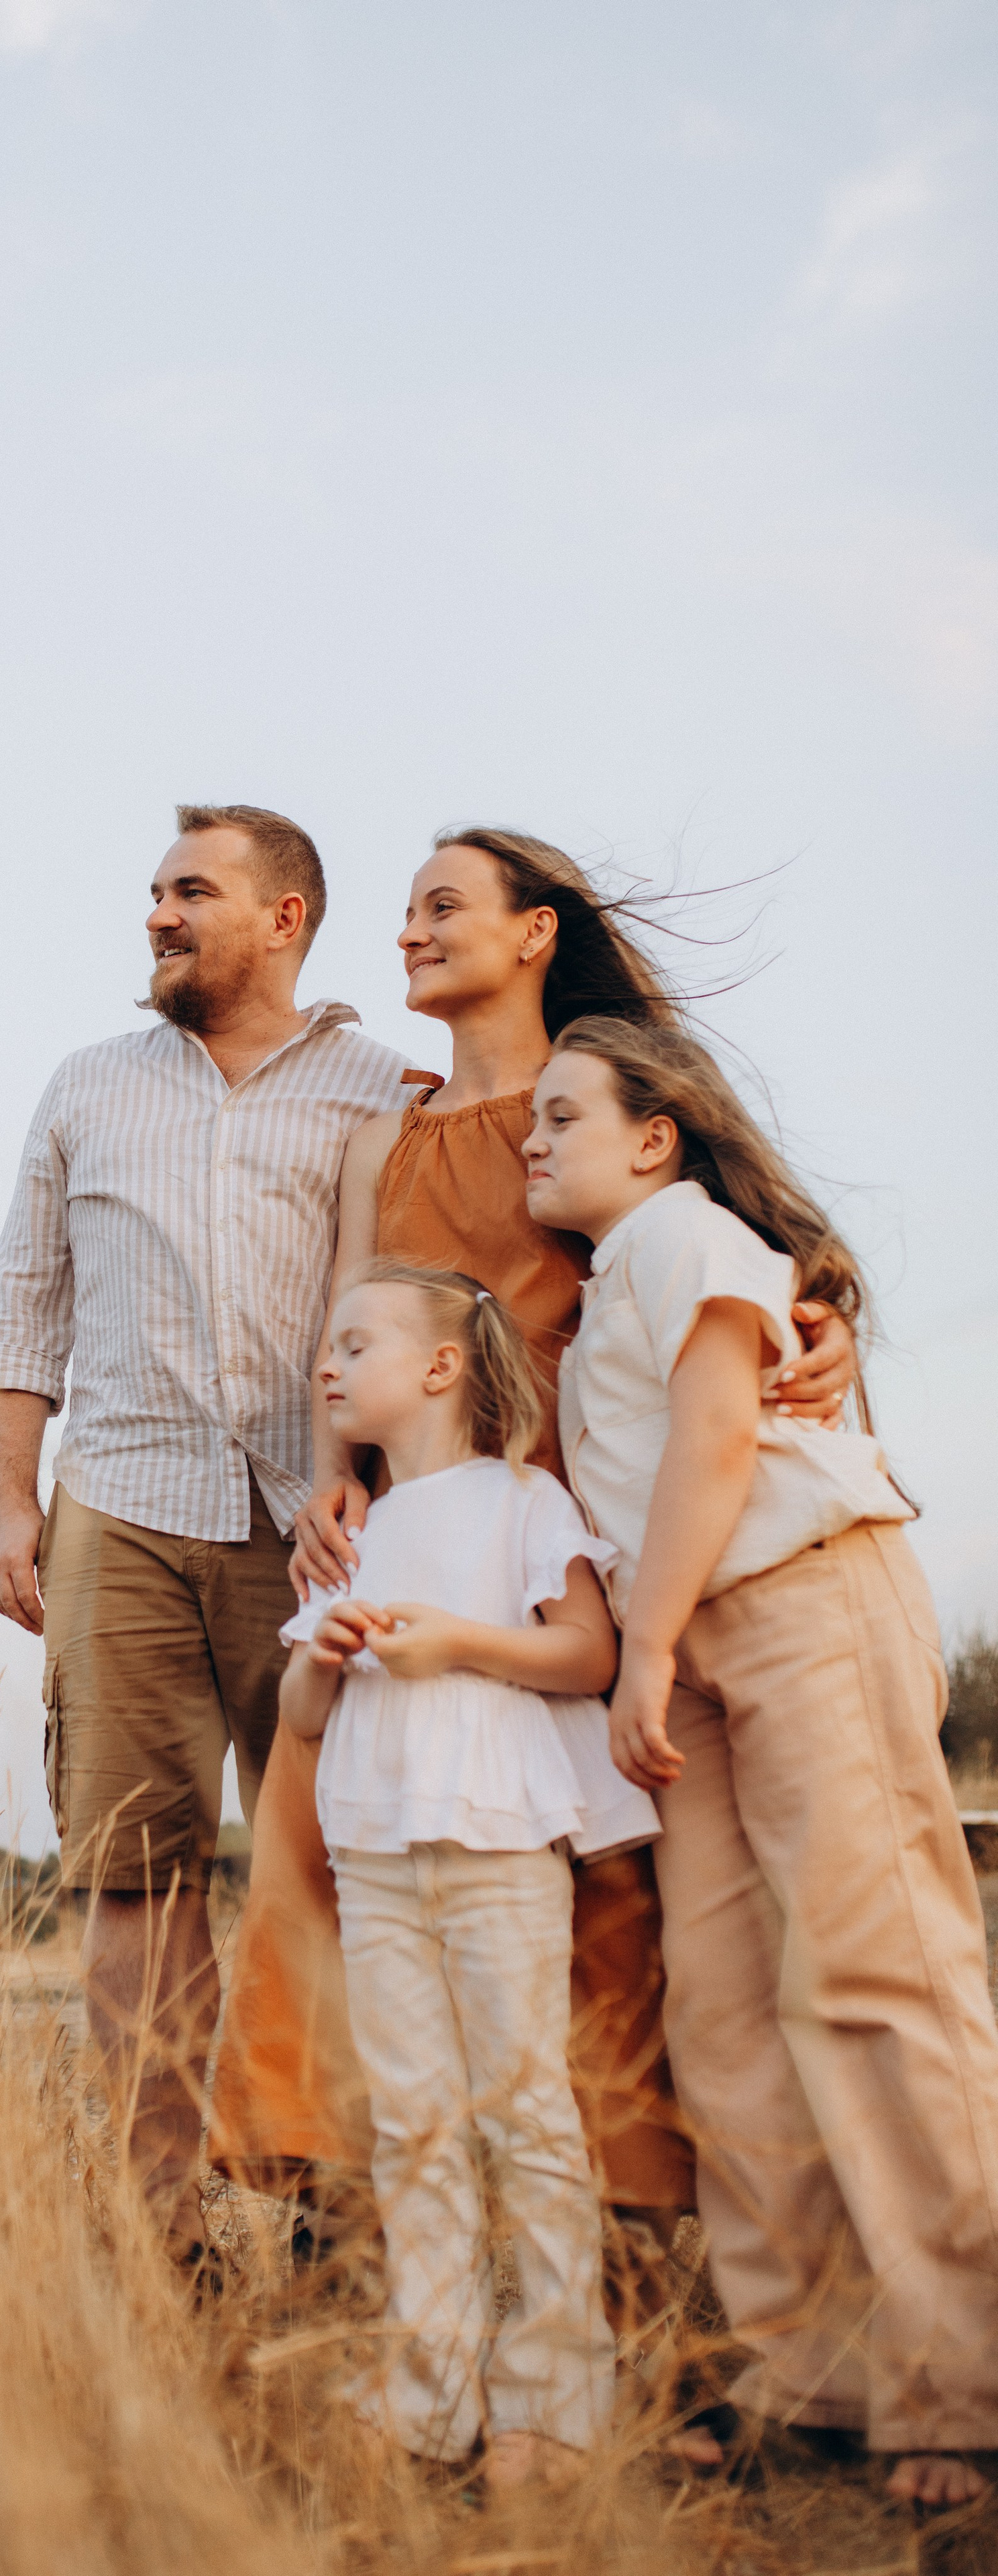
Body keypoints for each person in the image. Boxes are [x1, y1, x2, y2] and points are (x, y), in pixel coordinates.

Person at [212, 826, 856, 2292]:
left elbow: (763, 1254)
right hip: (405, 1533)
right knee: (331, 1862)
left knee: (602, 1904)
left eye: (443, 907)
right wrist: (330, 1487)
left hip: (568, 1535)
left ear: (533, 932)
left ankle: (629, 2282)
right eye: (404, 913)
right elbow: (351, 1317)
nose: (408, 934)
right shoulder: (385, 1130)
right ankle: (374, 2247)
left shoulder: (607, 1101)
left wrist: (824, 1325)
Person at [524, 1013, 998, 2508]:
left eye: (559, 1118)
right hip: (702, 1650)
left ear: (651, 1137)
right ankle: (815, 2373)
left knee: (873, 1975)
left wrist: (643, 1646)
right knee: (725, 2011)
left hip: (797, 1605)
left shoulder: (685, 1232)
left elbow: (718, 1438)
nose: (530, 1143)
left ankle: (962, 2375)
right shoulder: (607, 1289)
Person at [0, 804, 406, 2264]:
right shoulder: (85, 1087)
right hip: (121, 1518)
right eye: (153, 893)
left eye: (189, 892)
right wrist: (4, 1504)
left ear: (283, 917)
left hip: (322, 1530)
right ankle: (160, 2234)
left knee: (343, 1867)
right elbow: (22, 1304)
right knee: (128, 1876)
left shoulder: (375, 1087)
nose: (156, 915)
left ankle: (339, 2222)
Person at [279, 1257, 657, 2483]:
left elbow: (588, 1653)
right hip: (376, 1857)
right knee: (414, 2128)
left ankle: (554, 2404)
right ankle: (429, 2393)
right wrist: (326, 1655)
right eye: (327, 1349)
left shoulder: (521, 1503)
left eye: (352, 1344)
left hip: (499, 1846)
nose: (325, 1367)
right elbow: (297, 1716)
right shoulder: (356, 1531)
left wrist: (453, 1646)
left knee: (527, 2113)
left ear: (439, 1368)